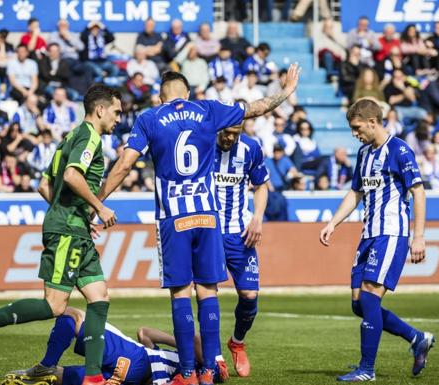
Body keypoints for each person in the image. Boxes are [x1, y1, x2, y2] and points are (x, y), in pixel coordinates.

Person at [97, 65, 301, 385]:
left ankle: (188, 373)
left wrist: (97, 201)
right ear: (188, 93)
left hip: (174, 218)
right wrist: (286, 92)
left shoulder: (149, 118)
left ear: (161, 96)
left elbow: (124, 165)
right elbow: (257, 107)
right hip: (207, 216)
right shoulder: (208, 109)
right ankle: (210, 370)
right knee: (208, 291)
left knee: (180, 293)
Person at [0, 85, 121, 385]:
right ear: (101, 109)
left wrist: (78, 217)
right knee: (55, 305)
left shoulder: (70, 137)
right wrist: (98, 207)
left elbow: (44, 185)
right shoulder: (90, 136)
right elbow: (71, 176)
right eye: (117, 112)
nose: (119, 119)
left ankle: (93, 378)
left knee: (99, 296)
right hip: (68, 230)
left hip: (74, 227)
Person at [319, 99, 434, 382]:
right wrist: (333, 222)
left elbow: (418, 192)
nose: (354, 133)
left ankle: (366, 370)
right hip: (368, 234)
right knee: (359, 303)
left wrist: (418, 237)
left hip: (391, 233)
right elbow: (356, 192)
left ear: (372, 122)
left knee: (370, 293)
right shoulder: (363, 153)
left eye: (357, 128)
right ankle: (416, 337)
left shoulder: (399, 150)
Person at [0, 307, 228, 385]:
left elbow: (196, 338)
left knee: (73, 316)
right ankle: (32, 376)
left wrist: (180, 346)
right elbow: (144, 333)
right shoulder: (176, 364)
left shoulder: (202, 363)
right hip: (131, 377)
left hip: (137, 358)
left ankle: (45, 365)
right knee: (63, 378)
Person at [213, 125, 269, 378]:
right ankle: (214, 357)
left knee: (249, 295)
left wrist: (257, 217)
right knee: (206, 294)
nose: (229, 138)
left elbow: (261, 186)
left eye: (235, 134)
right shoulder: (201, 144)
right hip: (207, 233)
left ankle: (237, 342)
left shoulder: (250, 148)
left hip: (239, 233)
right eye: (226, 132)